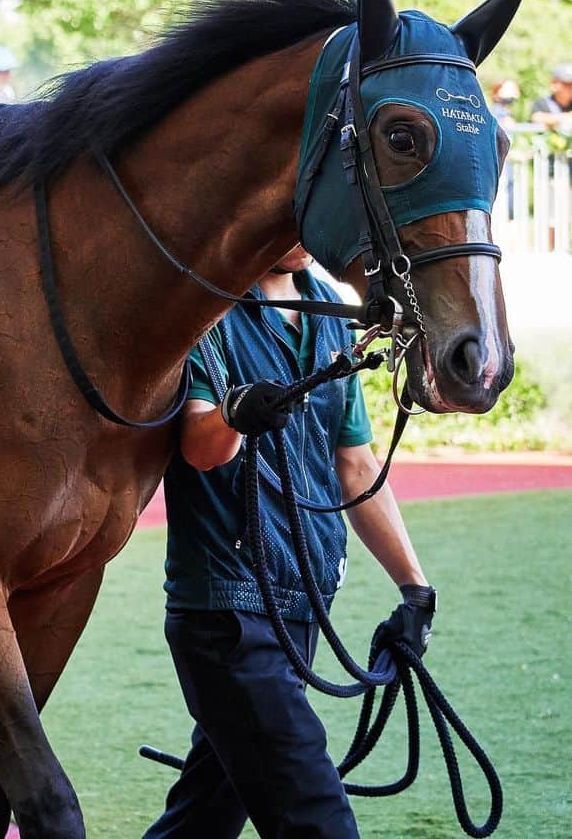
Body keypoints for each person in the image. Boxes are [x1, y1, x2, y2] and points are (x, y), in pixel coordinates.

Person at [145, 244, 435, 839]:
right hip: (228, 614)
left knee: (202, 820)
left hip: (303, 608)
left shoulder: (329, 310)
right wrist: (237, 413)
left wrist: (415, 588)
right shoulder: (205, 309)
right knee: (318, 821)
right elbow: (200, 449)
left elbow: (355, 464)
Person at [530, 64, 572, 128]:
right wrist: (566, 117)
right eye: (567, 84)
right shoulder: (542, 103)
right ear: (554, 83)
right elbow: (537, 118)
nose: (570, 87)